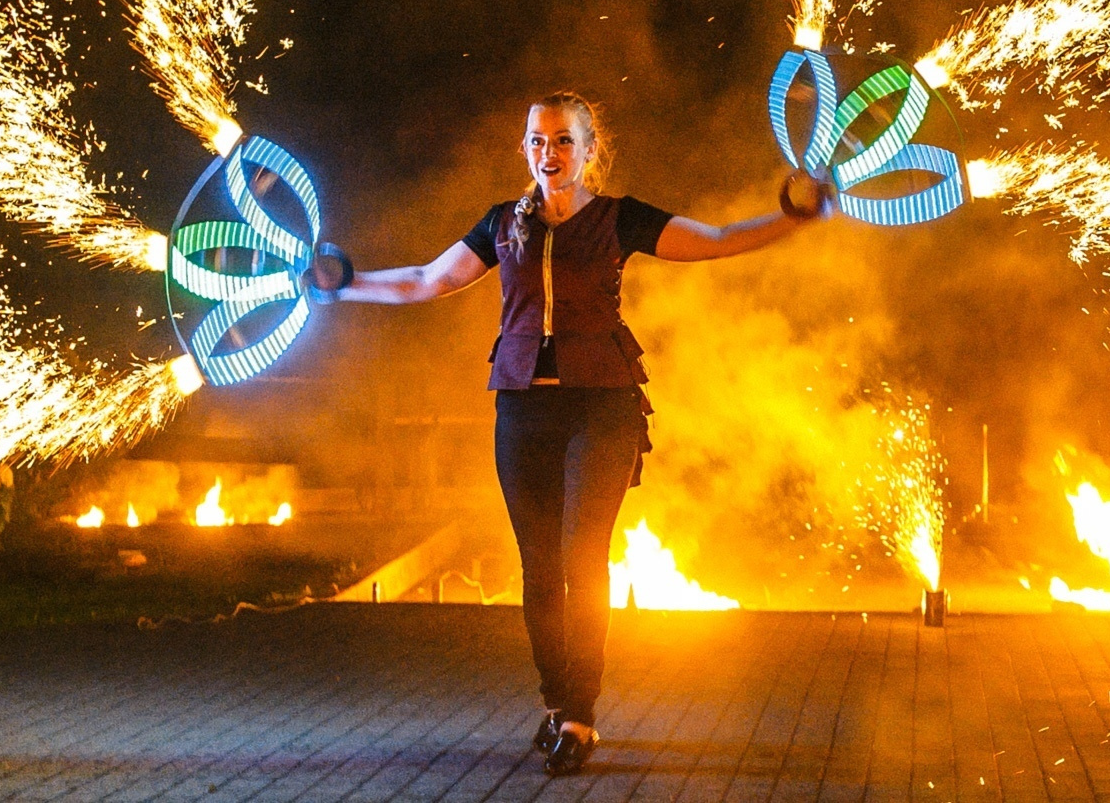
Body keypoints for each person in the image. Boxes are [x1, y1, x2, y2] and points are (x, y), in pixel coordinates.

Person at [322, 91, 833, 775]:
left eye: (564, 140)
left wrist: (792, 219)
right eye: (538, 140)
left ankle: (581, 714)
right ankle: (557, 702)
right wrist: (344, 284)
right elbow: (426, 279)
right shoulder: (504, 224)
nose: (549, 153)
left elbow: (713, 241)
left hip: (602, 409)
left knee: (582, 559)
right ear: (526, 147)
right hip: (522, 410)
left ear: (590, 149)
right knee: (538, 568)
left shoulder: (620, 219)